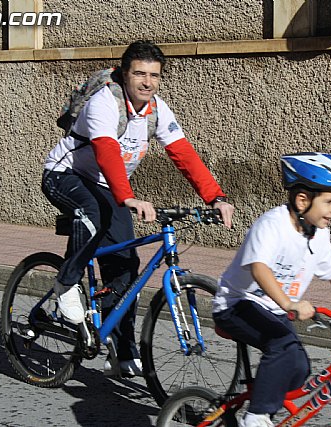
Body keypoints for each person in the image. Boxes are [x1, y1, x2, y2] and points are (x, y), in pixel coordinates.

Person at [41, 40, 234, 377]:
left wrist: (215, 198)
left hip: (107, 187)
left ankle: (122, 351)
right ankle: (66, 284)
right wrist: (128, 197)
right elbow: (106, 151)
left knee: (126, 267)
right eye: (140, 74)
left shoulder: (156, 109)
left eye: (154, 76)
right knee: (92, 213)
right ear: (124, 74)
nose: (147, 82)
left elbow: (183, 154)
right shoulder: (105, 101)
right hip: (65, 175)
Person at [212, 152, 331, 427]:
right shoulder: (272, 225)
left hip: (273, 310)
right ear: (302, 200)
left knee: (299, 367)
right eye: (330, 202)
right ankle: (255, 416)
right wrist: (289, 304)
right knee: (283, 346)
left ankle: (263, 403)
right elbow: (259, 268)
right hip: (237, 304)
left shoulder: (319, 233)